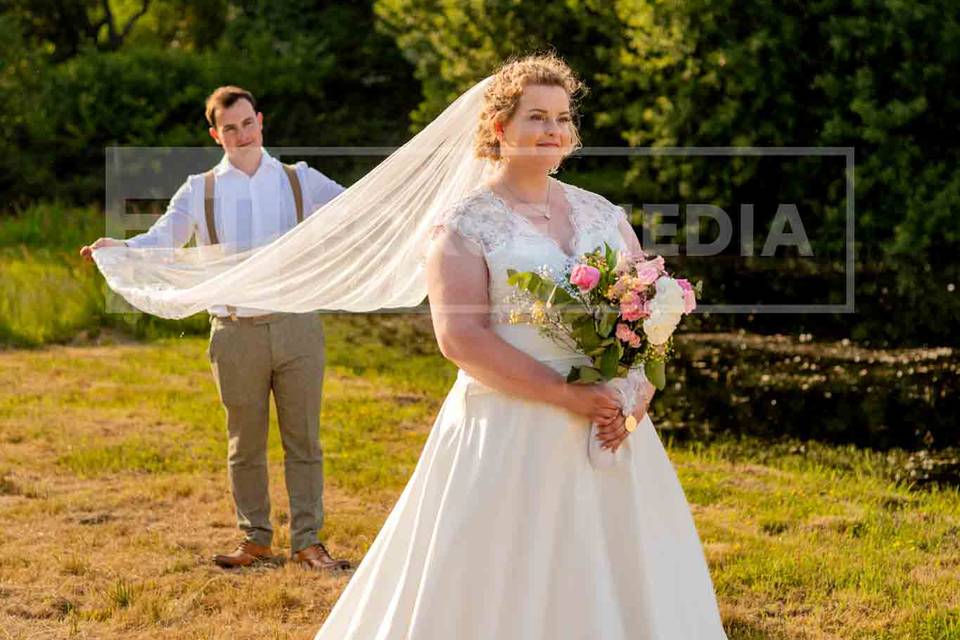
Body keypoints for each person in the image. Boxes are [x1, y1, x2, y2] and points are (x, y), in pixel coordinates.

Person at [311, 54, 728, 638]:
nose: (553, 130)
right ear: (500, 128)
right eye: (536, 116)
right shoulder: (463, 224)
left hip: (607, 424)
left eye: (561, 118)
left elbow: (650, 314)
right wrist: (567, 395)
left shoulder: (601, 214)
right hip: (507, 425)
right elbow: (461, 339)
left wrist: (635, 399)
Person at [80, 86, 352, 572]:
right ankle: (255, 540)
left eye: (248, 123)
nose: (242, 134)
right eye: (231, 128)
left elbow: (359, 209)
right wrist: (117, 249)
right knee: (243, 442)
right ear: (216, 134)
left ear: (261, 121)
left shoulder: (300, 181)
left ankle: (309, 541)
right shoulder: (199, 189)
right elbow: (161, 240)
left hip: (297, 328)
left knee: (304, 440)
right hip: (234, 333)